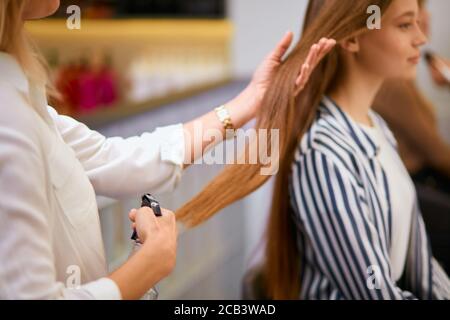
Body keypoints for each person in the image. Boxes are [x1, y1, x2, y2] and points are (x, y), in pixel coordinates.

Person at [0, 0, 333, 299]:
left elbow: (115, 159)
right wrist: (148, 264)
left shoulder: (21, 100)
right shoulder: (8, 118)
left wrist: (249, 102)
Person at [176, 0, 450, 300]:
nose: (421, 39)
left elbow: (421, 269)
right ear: (352, 37)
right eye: (405, 25)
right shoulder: (324, 155)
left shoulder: (378, 128)